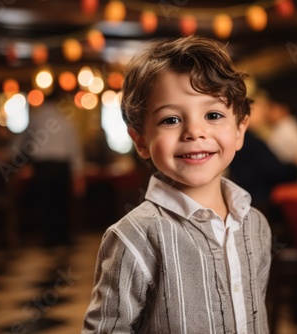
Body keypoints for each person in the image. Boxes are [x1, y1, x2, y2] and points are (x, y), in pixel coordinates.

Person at [82, 36, 271, 333]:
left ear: (239, 130)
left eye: (213, 115)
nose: (195, 131)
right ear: (141, 141)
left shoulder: (256, 225)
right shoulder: (133, 237)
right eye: (170, 120)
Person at [14, 92, 84, 246]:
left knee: (46, 203)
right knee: (61, 203)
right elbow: (74, 149)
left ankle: (49, 239)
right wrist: (78, 173)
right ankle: (63, 238)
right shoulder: (66, 121)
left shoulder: (35, 119)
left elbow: (20, 145)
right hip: (61, 167)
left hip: (43, 167)